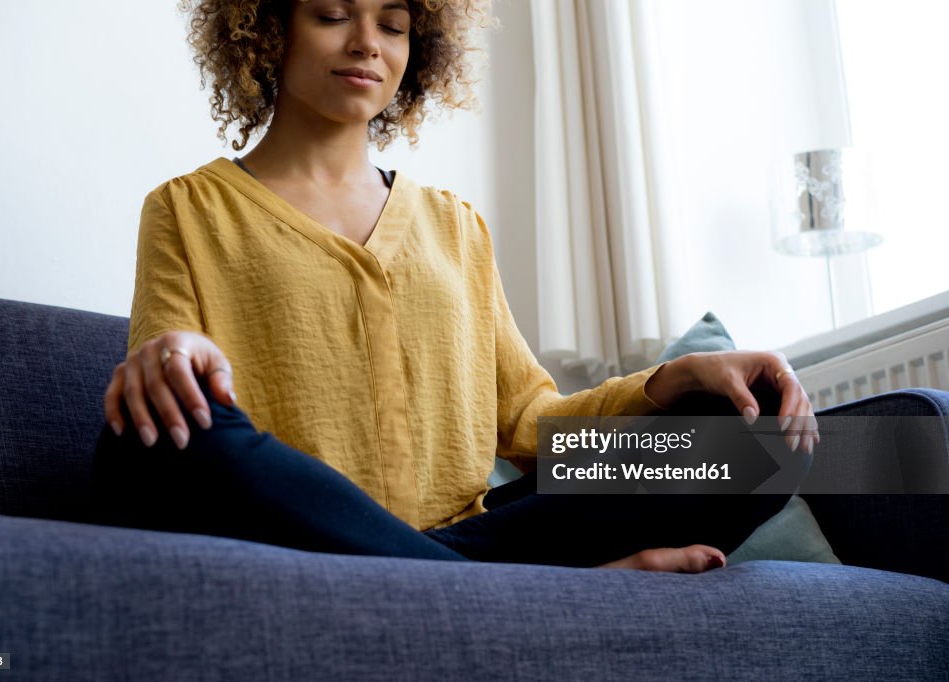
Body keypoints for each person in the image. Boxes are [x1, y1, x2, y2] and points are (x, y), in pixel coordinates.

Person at [93, 0, 819, 573]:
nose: (366, 43)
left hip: (479, 533)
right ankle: (527, 588)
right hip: (291, 539)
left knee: (765, 445)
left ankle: (451, 577)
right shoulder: (188, 207)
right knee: (155, 439)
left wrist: (677, 378)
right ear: (267, 30)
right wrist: (173, 351)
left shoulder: (455, 224)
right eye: (331, 16)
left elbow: (533, 427)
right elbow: (165, 367)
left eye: (394, 24)